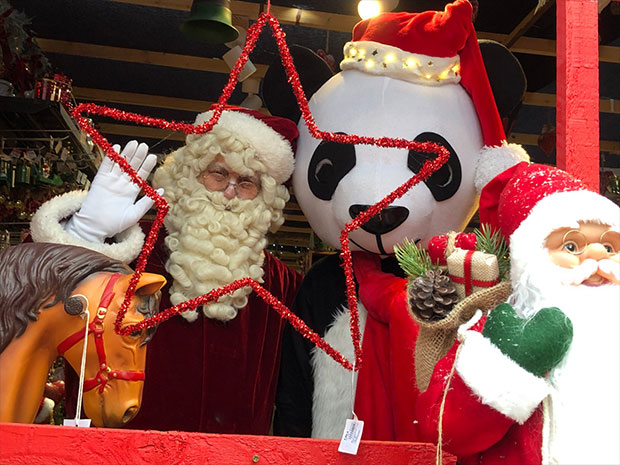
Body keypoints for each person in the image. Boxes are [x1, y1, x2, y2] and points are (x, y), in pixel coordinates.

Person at [30, 105, 304, 434]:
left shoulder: (283, 284)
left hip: (232, 454)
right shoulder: (131, 246)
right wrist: (85, 231)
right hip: (120, 448)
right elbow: (35, 290)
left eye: (246, 182)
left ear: (265, 198)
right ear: (190, 176)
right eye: (218, 174)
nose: (230, 191)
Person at [411, 162, 620, 464]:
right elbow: (445, 429)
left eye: (610, 247)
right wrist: (509, 364)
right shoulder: (500, 326)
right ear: (532, 259)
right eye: (572, 245)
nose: (598, 257)